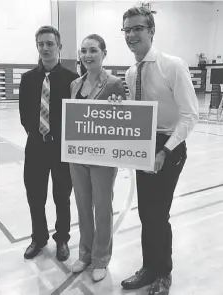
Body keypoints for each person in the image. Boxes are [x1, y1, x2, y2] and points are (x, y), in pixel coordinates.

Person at [119, 6, 199, 295]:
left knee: (158, 213)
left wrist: (164, 150)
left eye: (137, 28)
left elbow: (190, 115)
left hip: (170, 145)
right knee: (145, 213)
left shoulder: (173, 65)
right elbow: (139, 115)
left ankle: (163, 273)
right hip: (144, 145)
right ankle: (148, 267)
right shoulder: (130, 73)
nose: (131, 34)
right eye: (127, 29)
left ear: (151, 30)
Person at [69, 34, 126, 282]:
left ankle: (101, 258)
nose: (87, 55)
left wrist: (118, 106)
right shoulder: (74, 84)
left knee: (102, 208)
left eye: (93, 50)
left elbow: (125, 117)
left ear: (104, 53)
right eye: (83, 51)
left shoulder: (114, 83)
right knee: (82, 207)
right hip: (77, 155)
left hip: (103, 156)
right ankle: (85, 254)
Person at [19, 26, 79, 261]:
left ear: (59, 47)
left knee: (61, 196)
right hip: (35, 147)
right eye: (41, 44)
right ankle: (39, 237)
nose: (45, 48)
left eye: (49, 44)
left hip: (61, 148)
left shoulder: (73, 80)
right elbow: (24, 113)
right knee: (35, 195)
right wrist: (38, 134)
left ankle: (62, 238)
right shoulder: (28, 79)